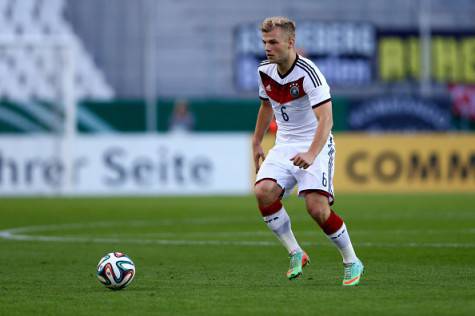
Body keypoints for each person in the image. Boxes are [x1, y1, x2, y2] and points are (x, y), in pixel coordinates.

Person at [252, 16, 364, 286]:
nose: (268, 47)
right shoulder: (265, 70)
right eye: (265, 42)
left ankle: (351, 260)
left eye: (273, 42)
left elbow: (326, 120)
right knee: (263, 191)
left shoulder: (309, 73)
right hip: (284, 145)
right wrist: (256, 141)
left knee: (317, 209)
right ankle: (295, 252)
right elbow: (266, 107)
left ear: (290, 42)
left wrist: (312, 154)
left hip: (315, 142)